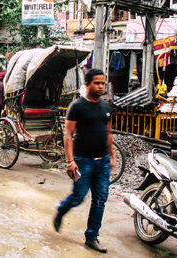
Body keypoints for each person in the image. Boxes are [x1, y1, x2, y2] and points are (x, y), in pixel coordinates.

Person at [53, 69, 114, 254]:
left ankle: (91, 236)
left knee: (100, 199)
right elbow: (68, 134)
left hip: (102, 161)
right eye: (97, 83)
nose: (101, 86)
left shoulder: (105, 106)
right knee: (79, 197)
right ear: (87, 84)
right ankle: (62, 209)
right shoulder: (77, 106)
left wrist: (111, 157)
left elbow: (109, 132)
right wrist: (70, 161)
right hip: (82, 161)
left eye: (103, 83)